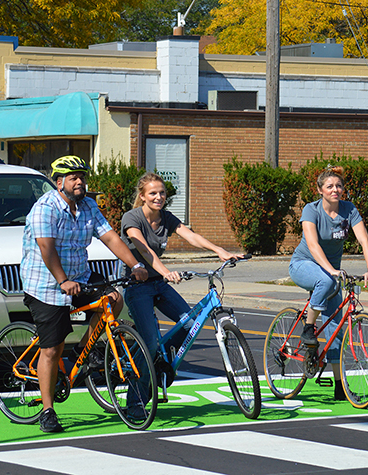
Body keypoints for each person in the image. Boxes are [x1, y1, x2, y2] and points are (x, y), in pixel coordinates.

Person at [21, 155, 148, 433]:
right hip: (46, 284)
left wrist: (136, 264)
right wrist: (62, 280)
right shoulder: (46, 208)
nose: (80, 182)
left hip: (79, 276)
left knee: (113, 300)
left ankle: (84, 351)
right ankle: (48, 410)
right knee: (51, 348)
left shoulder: (89, 205)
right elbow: (46, 248)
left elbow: (111, 237)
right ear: (59, 182)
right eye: (73, 177)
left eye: (82, 177)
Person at [121, 172, 243, 362]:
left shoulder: (166, 217)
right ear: (142, 196)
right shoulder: (132, 218)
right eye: (153, 193)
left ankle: (161, 358)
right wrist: (166, 272)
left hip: (159, 284)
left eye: (162, 193)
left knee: (190, 325)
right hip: (137, 287)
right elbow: (144, 250)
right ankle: (138, 387)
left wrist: (220, 250)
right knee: (150, 344)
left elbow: (191, 236)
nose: (159, 197)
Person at [288, 166, 368, 401]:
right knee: (325, 282)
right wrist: (331, 270)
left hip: (332, 274)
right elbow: (313, 245)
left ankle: (340, 385)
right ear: (320, 190)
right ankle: (308, 329)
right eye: (329, 186)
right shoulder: (311, 210)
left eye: (338, 186)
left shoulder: (349, 210)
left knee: (337, 328)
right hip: (304, 265)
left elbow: (364, 239)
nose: (335, 190)